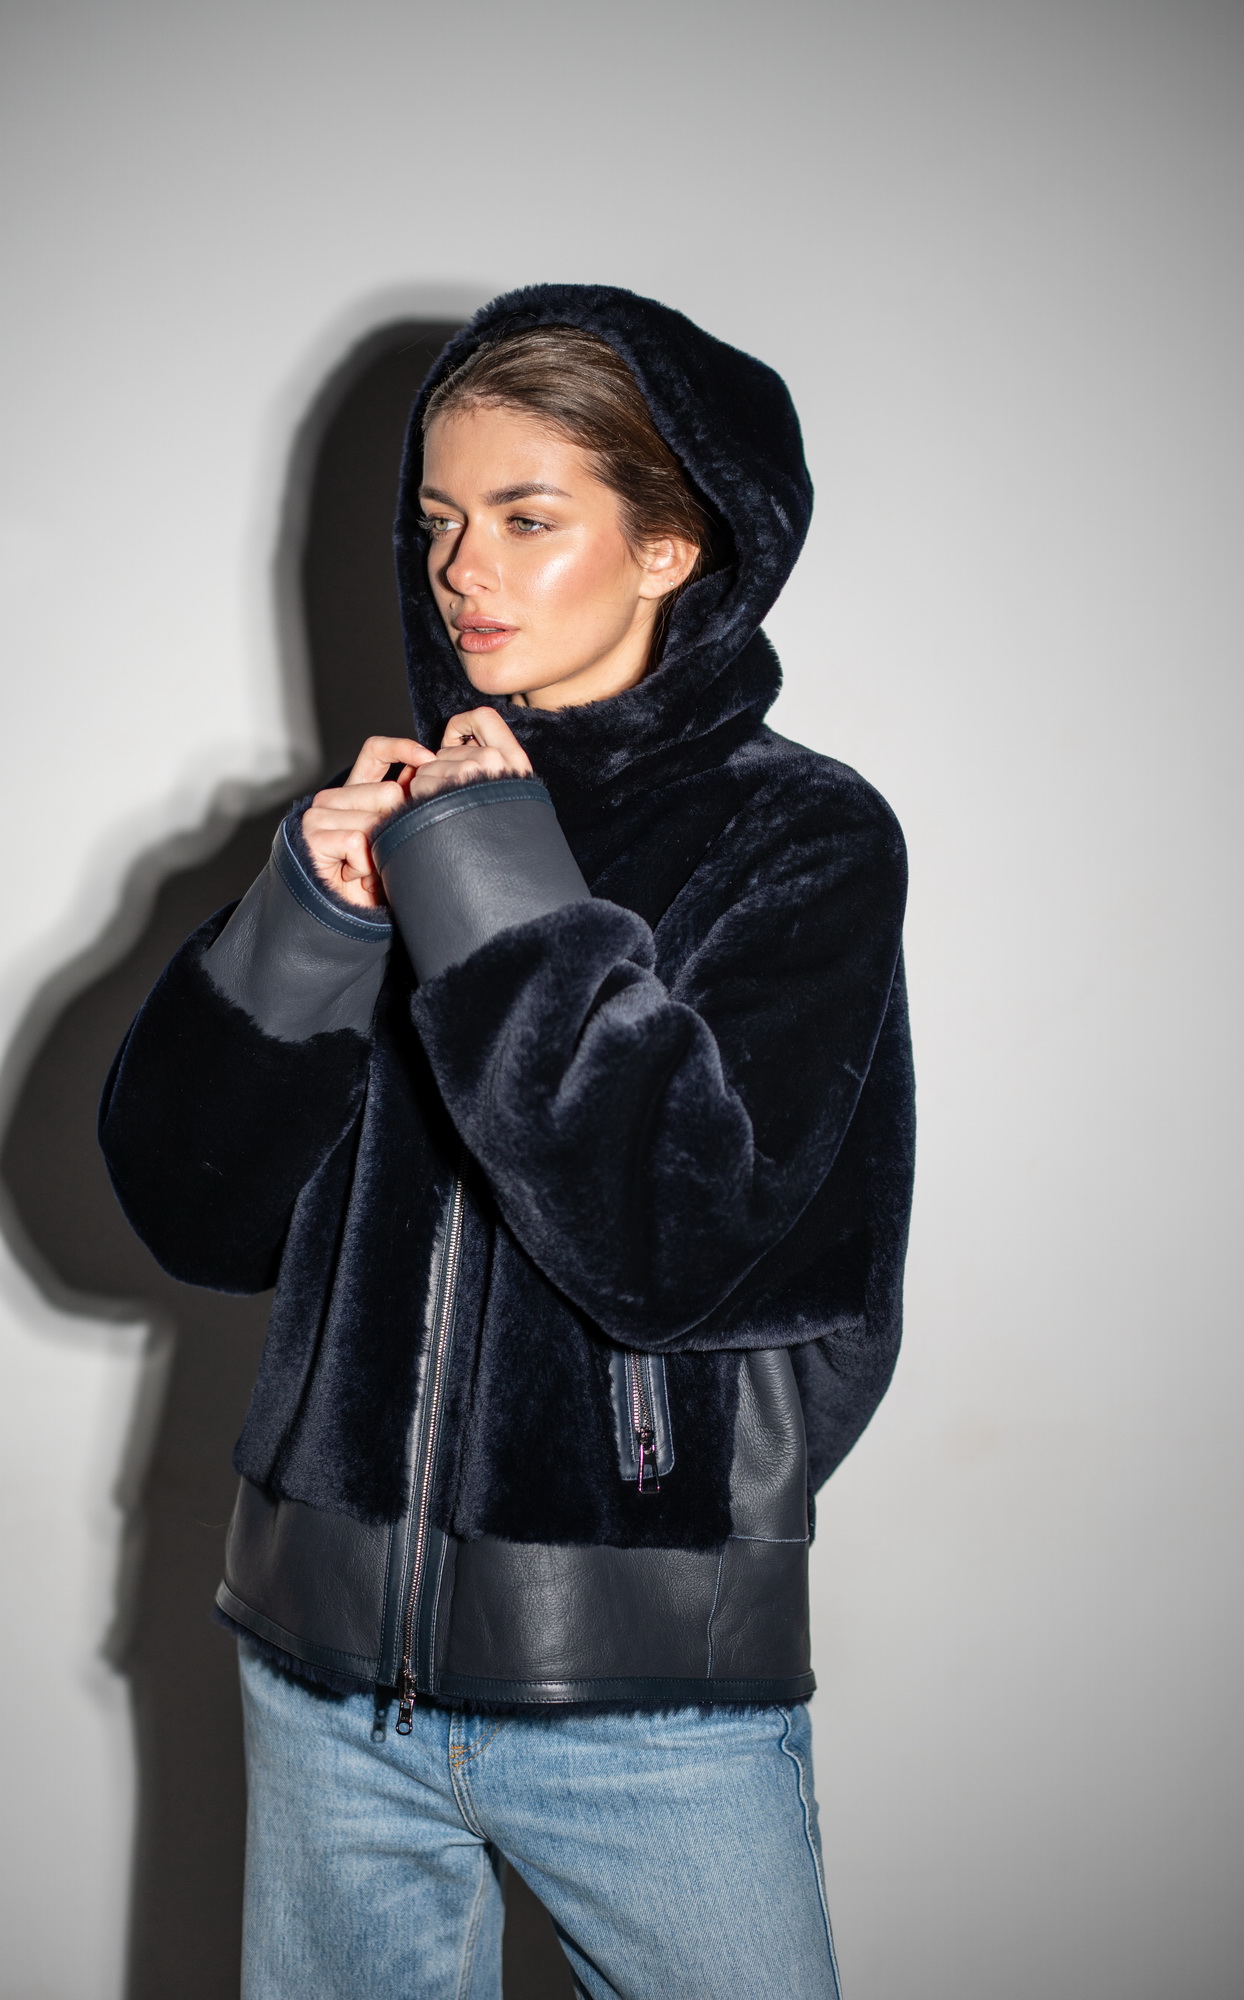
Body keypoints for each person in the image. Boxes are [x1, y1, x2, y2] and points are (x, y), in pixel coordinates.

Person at [100, 284, 914, 2000]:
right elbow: (190, 1218)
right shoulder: (391, 828)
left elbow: (674, 1244)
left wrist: (485, 884)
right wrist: (310, 924)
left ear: (671, 547)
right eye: (438, 520)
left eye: (527, 518)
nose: (461, 567)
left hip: (646, 1699)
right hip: (319, 1675)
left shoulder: (801, 838)